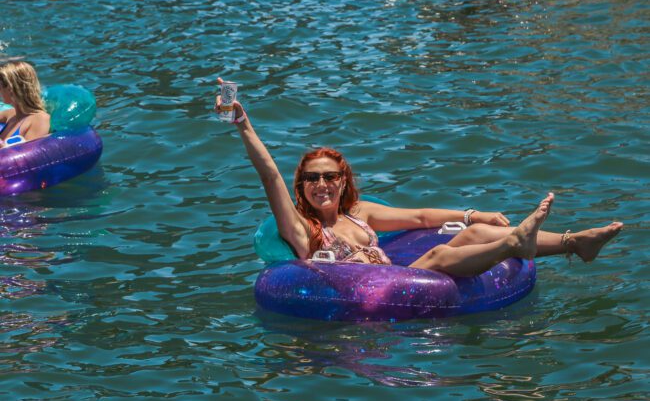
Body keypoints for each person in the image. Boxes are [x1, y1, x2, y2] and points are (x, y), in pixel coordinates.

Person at [214, 84, 623, 278]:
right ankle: (515, 245)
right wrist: (244, 126)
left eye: (329, 177)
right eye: (311, 179)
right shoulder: (303, 229)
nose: (320, 185)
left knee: (475, 232)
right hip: (373, 293)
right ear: (301, 186)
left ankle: (575, 243)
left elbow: (423, 217)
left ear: (343, 181)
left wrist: (472, 214)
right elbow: (269, 177)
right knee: (440, 259)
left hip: (396, 274)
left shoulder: (360, 215)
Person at [0, 58, 50, 148]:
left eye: (0, 87)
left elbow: (29, 156)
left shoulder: (39, 119)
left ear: (11, 89)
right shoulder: (11, 114)